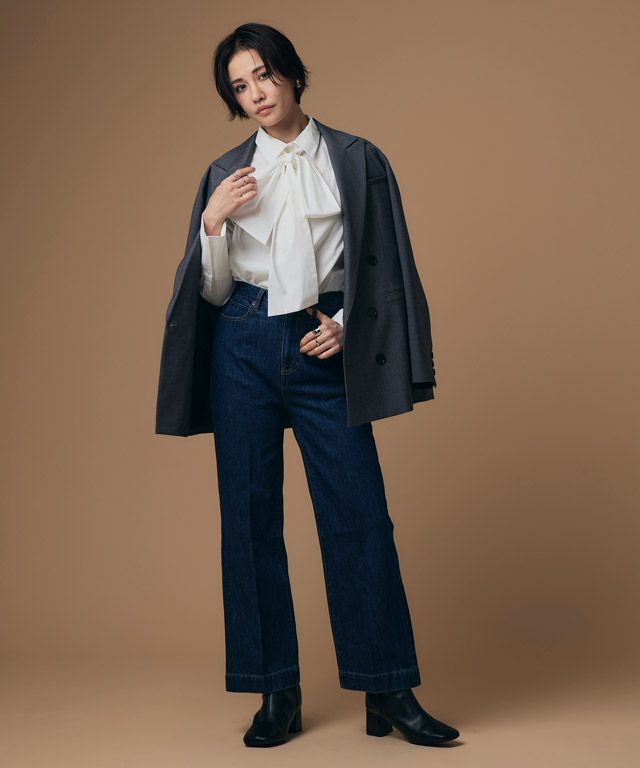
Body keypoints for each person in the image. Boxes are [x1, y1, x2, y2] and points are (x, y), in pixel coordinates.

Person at [160, 22, 460, 748]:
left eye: (264, 75)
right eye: (241, 86)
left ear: (293, 73)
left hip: (323, 342)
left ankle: (388, 688)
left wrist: (349, 327)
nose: (257, 94)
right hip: (243, 343)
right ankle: (275, 692)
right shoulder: (224, 172)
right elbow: (213, 291)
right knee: (249, 518)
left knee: (360, 517)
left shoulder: (357, 159)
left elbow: (385, 263)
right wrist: (212, 224)